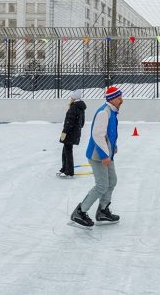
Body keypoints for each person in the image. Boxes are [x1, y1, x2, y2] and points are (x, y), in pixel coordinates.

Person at [70, 86, 124, 227]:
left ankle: (103, 211)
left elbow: (109, 134)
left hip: (107, 153)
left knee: (112, 181)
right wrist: (104, 154)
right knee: (101, 185)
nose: (121, 100)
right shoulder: (104, 113)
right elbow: (97, 135)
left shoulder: (112, 112)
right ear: (112, 98)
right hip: (97, 155)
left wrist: (113, 147)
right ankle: (80, 212)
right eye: (119, 98)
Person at [58, 90, 86, 178]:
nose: (70, 98)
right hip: (75, 133)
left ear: (74, 98)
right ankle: (64, 169)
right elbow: (82, 123)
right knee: (65, 150)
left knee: (68, 152)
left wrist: (64, 133)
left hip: (70, 133)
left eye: (71, 97)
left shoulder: (74, 107)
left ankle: (69, 172)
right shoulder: (80, 108)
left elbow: (69, 122)